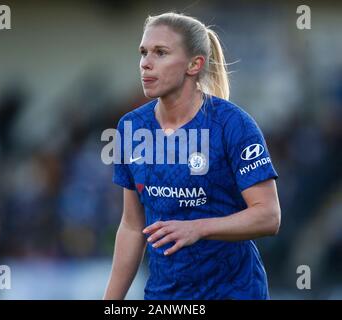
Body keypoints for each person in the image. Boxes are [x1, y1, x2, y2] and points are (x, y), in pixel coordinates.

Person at [103, 12, 281, 300]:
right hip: (165, 297)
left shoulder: (232, 125)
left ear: (194, 64)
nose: (146, 63)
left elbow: (268, 216)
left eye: (160, 53)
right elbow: (133, 226)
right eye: (143, 52)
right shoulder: (131, 127)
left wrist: (198, 228)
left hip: (234, 292)